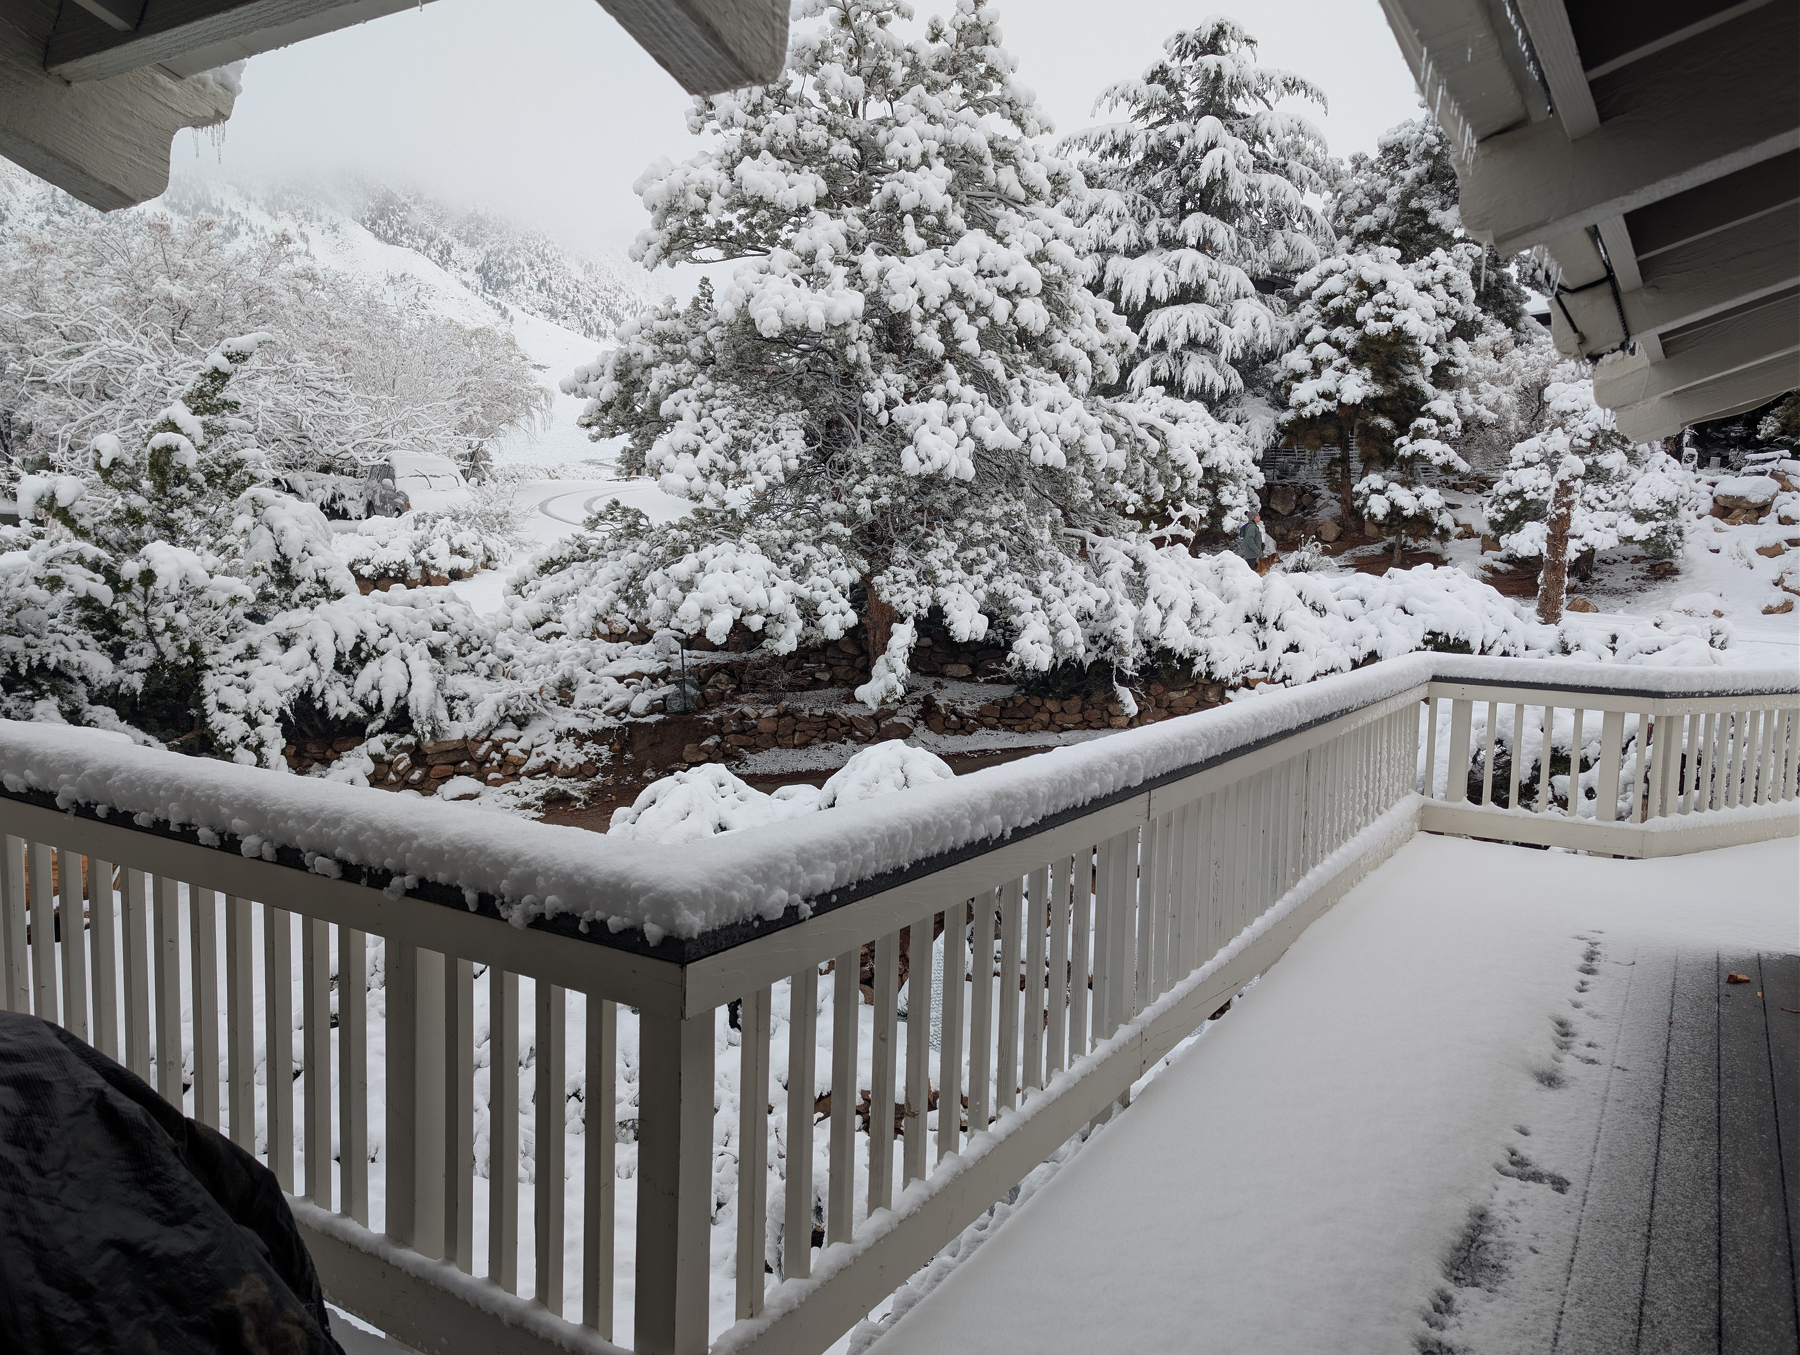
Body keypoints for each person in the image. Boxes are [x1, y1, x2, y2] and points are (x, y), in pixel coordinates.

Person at [1238, 510, 1278, 576]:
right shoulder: (1251, 527)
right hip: (1252, 555)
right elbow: (1249, 539)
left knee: (1252, 571)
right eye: (1258, 516)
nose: (1259, 517)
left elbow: (1253, 538)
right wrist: (1256, 549)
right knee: (1250, 573)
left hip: (1253, 555)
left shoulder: (1253, 527)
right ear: (1254, 518)